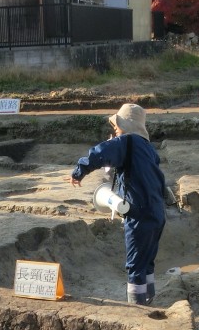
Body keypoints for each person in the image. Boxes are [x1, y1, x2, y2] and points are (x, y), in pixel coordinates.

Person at [68, 103, 166, 305]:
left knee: (134, 264)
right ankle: (150, 299)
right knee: (147, 260)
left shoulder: (125, 142)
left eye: (117, 124)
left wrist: (79, 172)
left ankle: (137, 307)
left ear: (126, 125)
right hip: (157, 212)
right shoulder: (147, 147)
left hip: (138, 213)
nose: (114, 128)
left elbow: (98, 154)